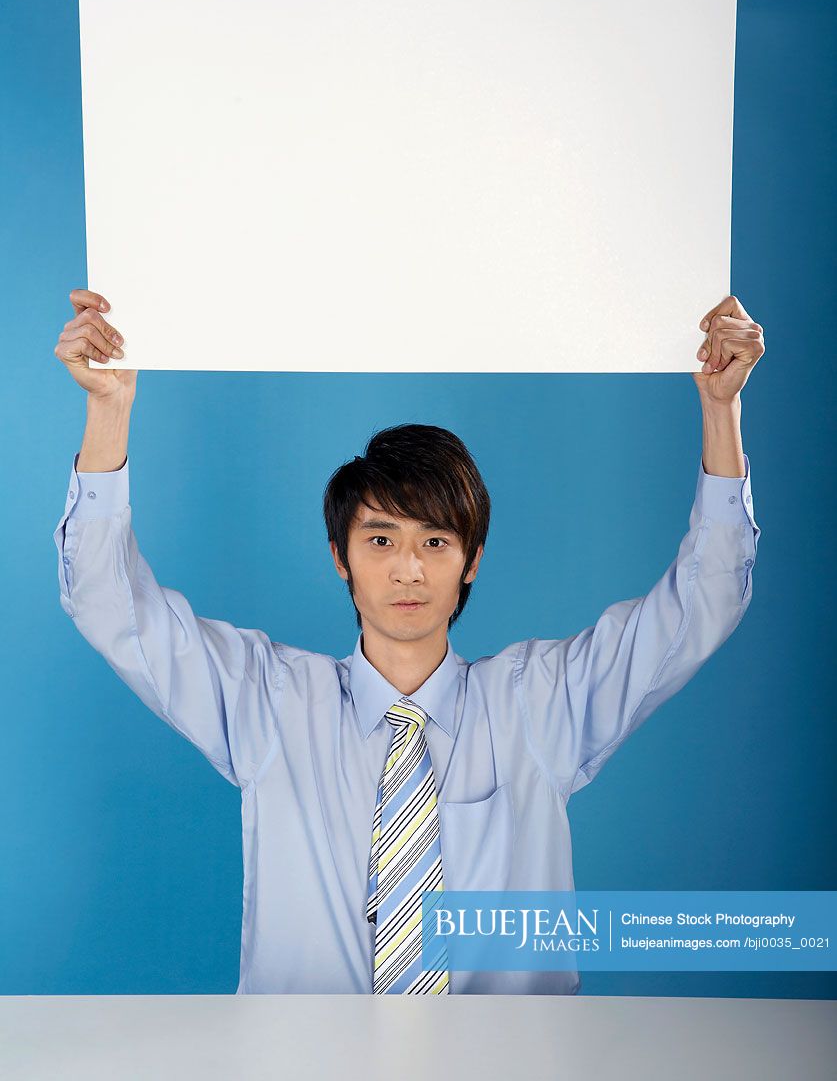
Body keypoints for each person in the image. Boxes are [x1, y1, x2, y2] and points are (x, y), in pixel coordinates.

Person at [53, 288, 764, 995]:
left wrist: (718, 409)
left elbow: (701, 602)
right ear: (340, 555)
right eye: (380, 539)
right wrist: (108, 410)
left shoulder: (540, 702)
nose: (408, 568)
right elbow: (110, 602)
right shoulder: (267, 701)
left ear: (471, 559)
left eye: (435, 540)